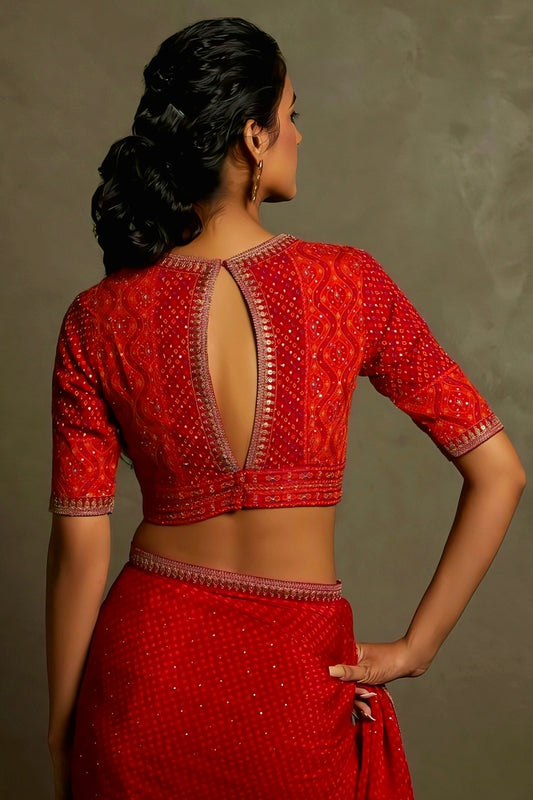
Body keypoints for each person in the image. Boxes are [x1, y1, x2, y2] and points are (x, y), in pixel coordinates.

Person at [45, 17, 525, 800]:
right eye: (292, 114)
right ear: (252, 136)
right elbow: (499, 473)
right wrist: (416, 647)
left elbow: (80, 547)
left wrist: (65, 730)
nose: (299, 133)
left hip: (144, 681)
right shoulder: (349, 283)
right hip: (298, 681)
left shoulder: (97, 318)